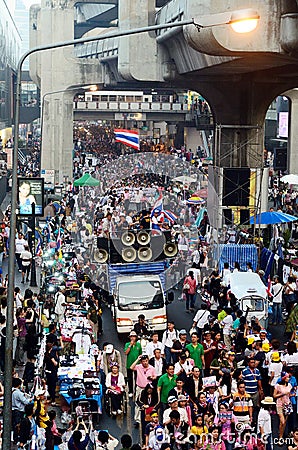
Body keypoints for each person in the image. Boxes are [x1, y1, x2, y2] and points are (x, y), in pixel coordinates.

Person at [273, 372, 292, 444]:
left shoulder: (289, 385)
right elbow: (274, 395)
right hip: (280, 404)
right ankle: (280, 436)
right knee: (282, 421)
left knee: (284, 423)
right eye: (287, 377)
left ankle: (280, 436)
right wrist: (282, 394)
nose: (288, 379)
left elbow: (289, 394)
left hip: (287, 404)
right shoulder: (278, 386)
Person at [12, 377, 33, 443]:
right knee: (18, 425)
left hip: (13, 410)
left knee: (15, 425)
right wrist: (30, 399)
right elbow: (26, 402)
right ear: (19, 385)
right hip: (18, 411)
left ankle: (15, 438)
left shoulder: (12, 390)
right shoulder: (18, 393)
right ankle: (17, 439)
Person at [124, 331, 142, 397]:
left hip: (137, 364)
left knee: (137, 378)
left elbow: (140, 354)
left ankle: (136, 390)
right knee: (130, 378)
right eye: (131, 336)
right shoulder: (127, 344)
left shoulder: (138, 344)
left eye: (134, 336)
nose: (132, 338)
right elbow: (126, 352)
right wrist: (130, 345)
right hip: (129, 364)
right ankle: (130, 391)